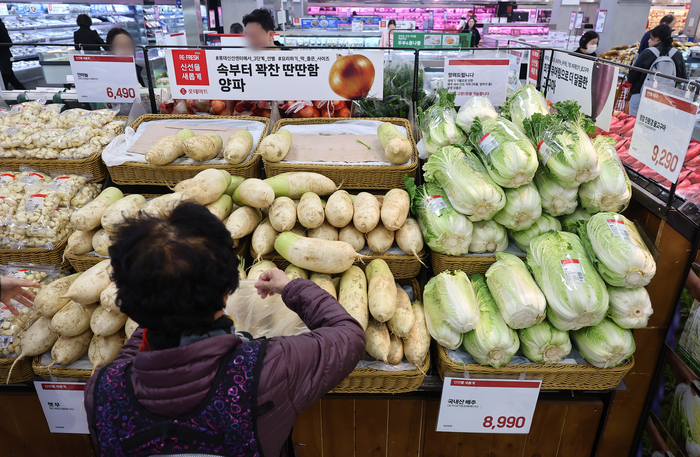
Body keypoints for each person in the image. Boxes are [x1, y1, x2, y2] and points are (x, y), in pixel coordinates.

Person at [84, 203, 365, 457]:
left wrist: (156, 304)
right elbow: (348, 335)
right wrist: (291, 287)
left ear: (130, 303)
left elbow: (136, 351)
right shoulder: (268, 367)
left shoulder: (102, 392)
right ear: (225, 293)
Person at [627, 24, 686, 116]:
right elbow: (682, 79)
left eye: (651, 38)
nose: (648, 41)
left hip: (641, 96)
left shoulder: (648, 52)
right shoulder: (677, 54)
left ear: (657, 39)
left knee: (633, 125)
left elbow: (632, 77)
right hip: (664, 101)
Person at [0, 18, 24, 90]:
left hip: (3, 59)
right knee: (10, 78)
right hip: (4, 60)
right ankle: (27, 95)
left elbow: (8, 42)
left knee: (5, 79)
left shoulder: (0, 26)